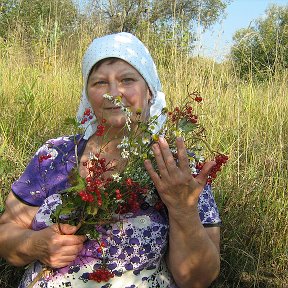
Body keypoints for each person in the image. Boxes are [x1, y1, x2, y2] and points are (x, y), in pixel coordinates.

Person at [0, 32, 221, 288]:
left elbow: (197, 279)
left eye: (127, 79)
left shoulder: (179, 167)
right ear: (87, 94)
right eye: (100, 83)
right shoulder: (56, 156)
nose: (114, 93)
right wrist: (35, 245)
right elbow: (6, 231)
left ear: (149, 90)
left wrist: (183, 209)